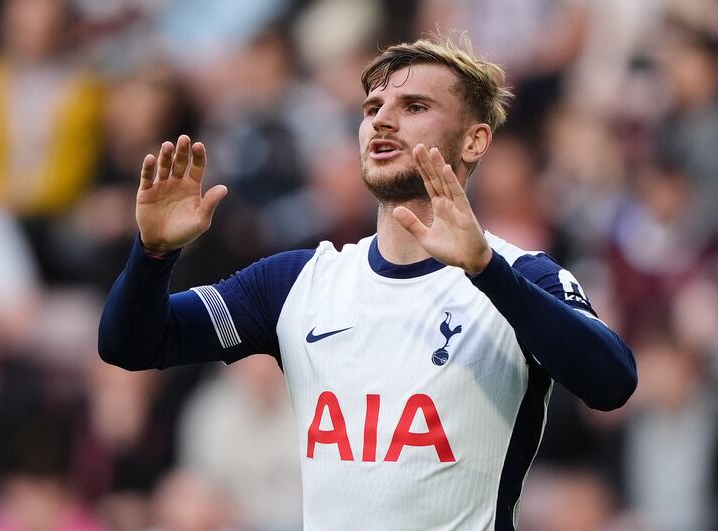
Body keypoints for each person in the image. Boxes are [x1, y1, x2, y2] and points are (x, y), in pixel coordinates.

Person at [99, 34, 637, 530]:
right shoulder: (297, 283)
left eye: (415, 107)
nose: (382, 121)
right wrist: (153, 253)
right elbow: (132, 344)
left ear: (475, 141)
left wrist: (486, 273)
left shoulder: (520, 276)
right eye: (372, 108)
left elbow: (611, 383)